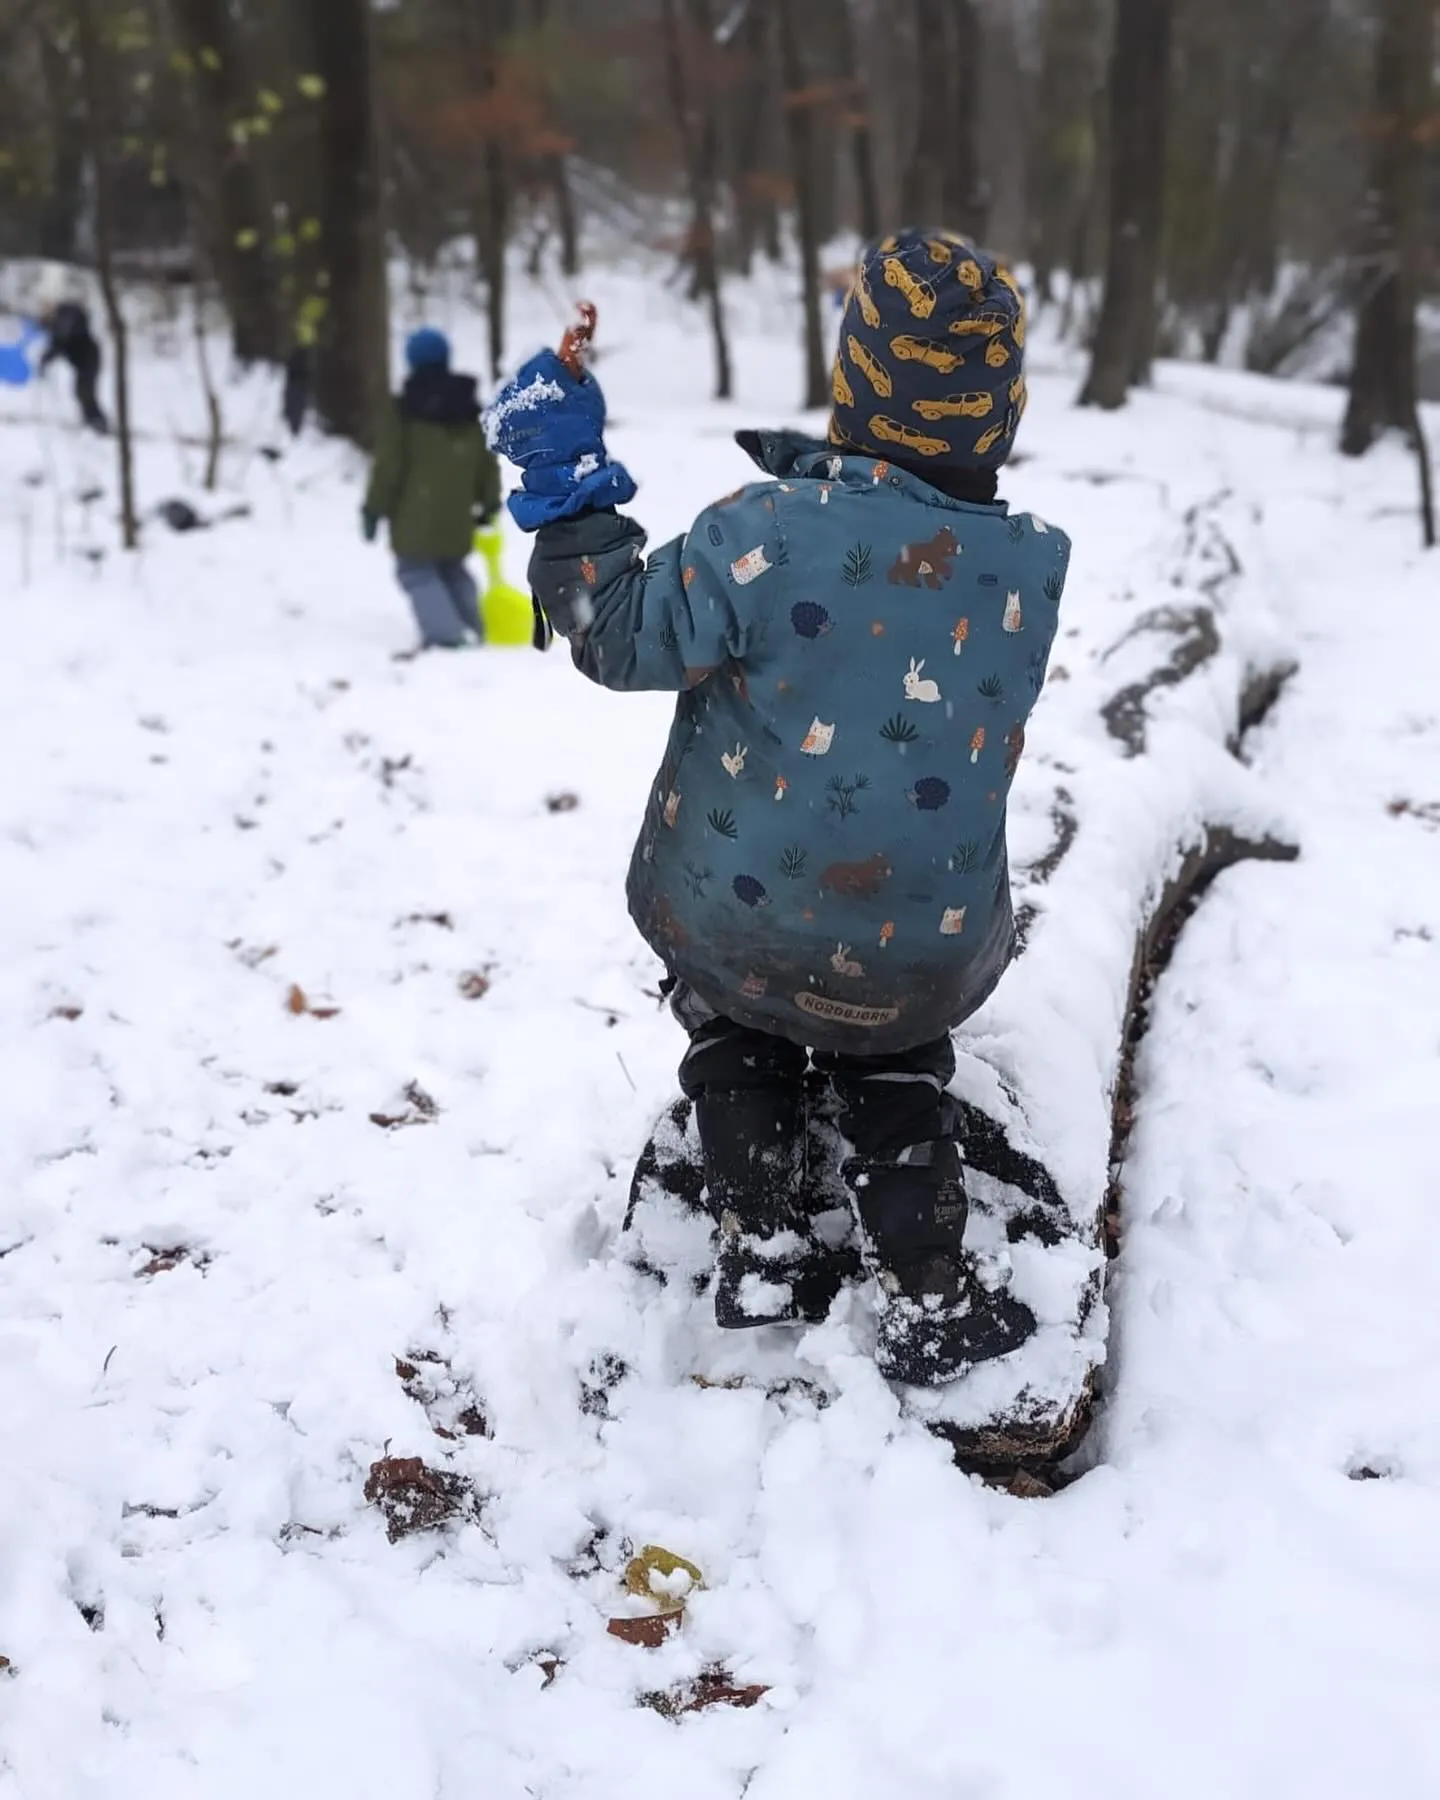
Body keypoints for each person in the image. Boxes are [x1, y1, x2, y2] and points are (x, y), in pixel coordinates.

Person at [487, 230, 1072, 1386]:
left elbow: (615, 633)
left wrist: (568, 493)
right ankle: (929, 1292)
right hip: (922, 954)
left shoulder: (759, 535)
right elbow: (895, 559)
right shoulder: (1029, 569)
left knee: (738, 1029)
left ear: (854, 383)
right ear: (998, 413)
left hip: (734, 924)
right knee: (898, 1072)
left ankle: (763, 1242)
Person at [363, 328, 501, 650]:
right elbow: (486, 460)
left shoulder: (406, 409)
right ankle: (473, 626)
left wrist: (374, 509)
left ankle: (447, 636)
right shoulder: (468, 406)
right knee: (452, 568)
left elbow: (389, 466)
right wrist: (489, 501)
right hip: (457, 514)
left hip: (415, 514)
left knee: (417, 571)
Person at [39, 298, 107, 433]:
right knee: (81, 391)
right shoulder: (63, 320)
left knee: (85, 391)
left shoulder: (64, 319)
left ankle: (98, 422)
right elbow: (58, 343)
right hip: (85, 358)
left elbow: (59, 343)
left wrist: (46, 359)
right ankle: (92, 420)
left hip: (88, 358)